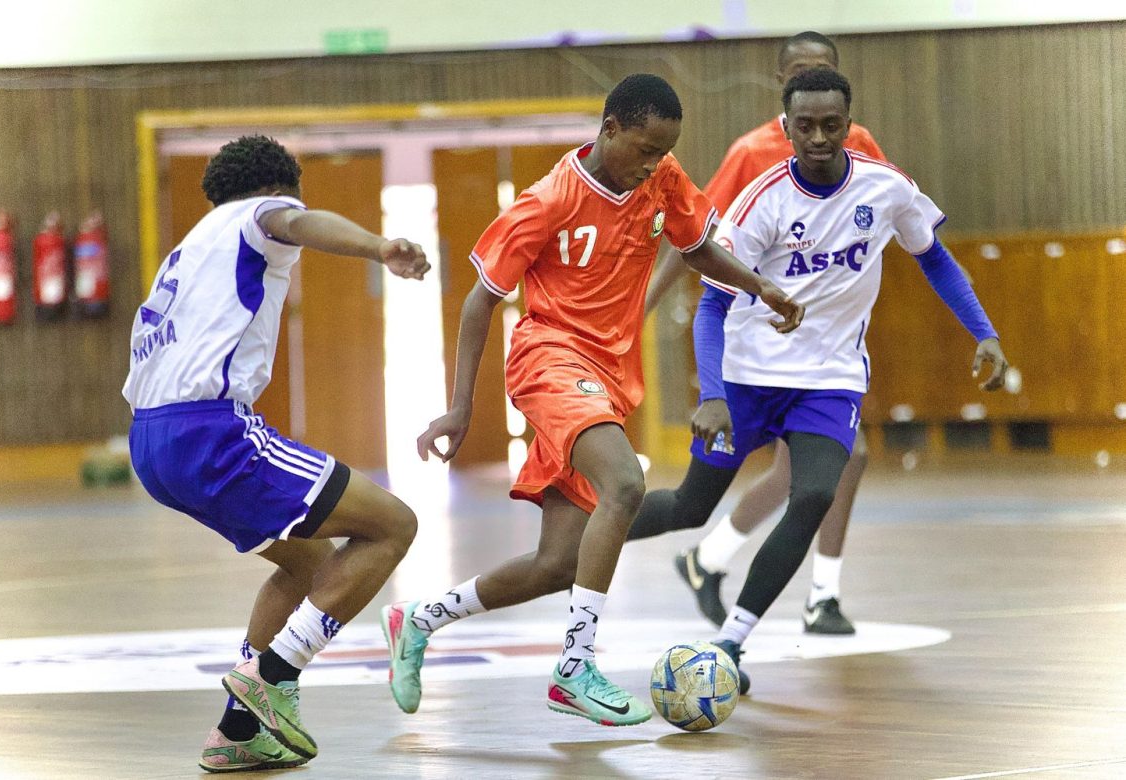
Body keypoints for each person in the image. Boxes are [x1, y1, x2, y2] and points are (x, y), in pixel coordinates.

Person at [379, 74, 803, 727]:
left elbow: (697, 251)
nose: (654, 163)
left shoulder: (660, 181)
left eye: (665, 151)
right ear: (609, 130)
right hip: (548, 360)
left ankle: (419, 620)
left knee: (558, 564)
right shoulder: (548, 201)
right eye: (644, 148)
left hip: (607, 378)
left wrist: (760, 288)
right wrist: (459, 406)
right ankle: (575, 666)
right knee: (627, 484)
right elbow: (479, 299)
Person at [671, 69, 1007, 692]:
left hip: (829, 377)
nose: (820, 137)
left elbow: (934, 256)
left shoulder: (886, 189)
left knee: (816, 489)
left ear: (850, 125)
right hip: (750, 373)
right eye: (806, 126)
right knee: (689, 504)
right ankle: (596, 538)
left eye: (832, 125)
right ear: (786, 127)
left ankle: (733, 640)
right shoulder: (760, 195)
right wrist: (712, 393)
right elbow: (709, 292)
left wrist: (982, 330)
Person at [122, 135, 430, 772]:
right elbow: (295, 221)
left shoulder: (188, 249)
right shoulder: (258, 216)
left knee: (309, 565)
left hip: (150, 440)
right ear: (276, 187)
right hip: (207, 431)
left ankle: (238, 731)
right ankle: (274, 673)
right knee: (394, 525)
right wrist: (379, 247)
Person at [630, 31, 887, 636]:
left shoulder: (863, 148)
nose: (814, 87)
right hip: (757, 344)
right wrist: (642, 305)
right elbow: (695, 233)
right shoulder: (751, 152)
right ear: (782, 87)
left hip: (827, 347)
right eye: (802, 73)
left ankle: (795, 585)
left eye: (826, 72)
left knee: (825, 466)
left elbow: (888, 211)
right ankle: (686, 551)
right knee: (720, 491)